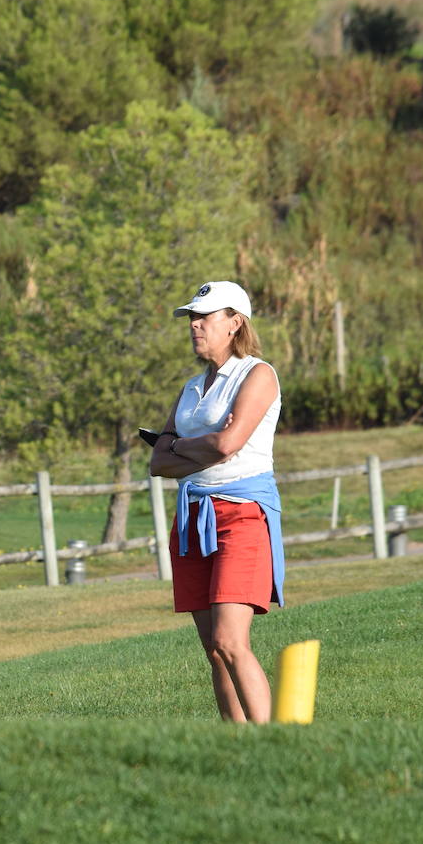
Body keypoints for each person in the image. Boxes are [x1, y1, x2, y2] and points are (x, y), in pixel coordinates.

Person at [148, 280, 284, 724]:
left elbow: (228, 444)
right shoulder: (191, 387)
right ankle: (236, 744)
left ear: (235, 322)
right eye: (192, 318)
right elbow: (156, 462)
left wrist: (182, 445)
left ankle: (272, 743)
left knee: (230, 641)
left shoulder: (257, 374)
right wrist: (199, 445)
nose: (195, 325)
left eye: (205, 317)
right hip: (192, 517)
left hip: (241, 514)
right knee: (213, 651)